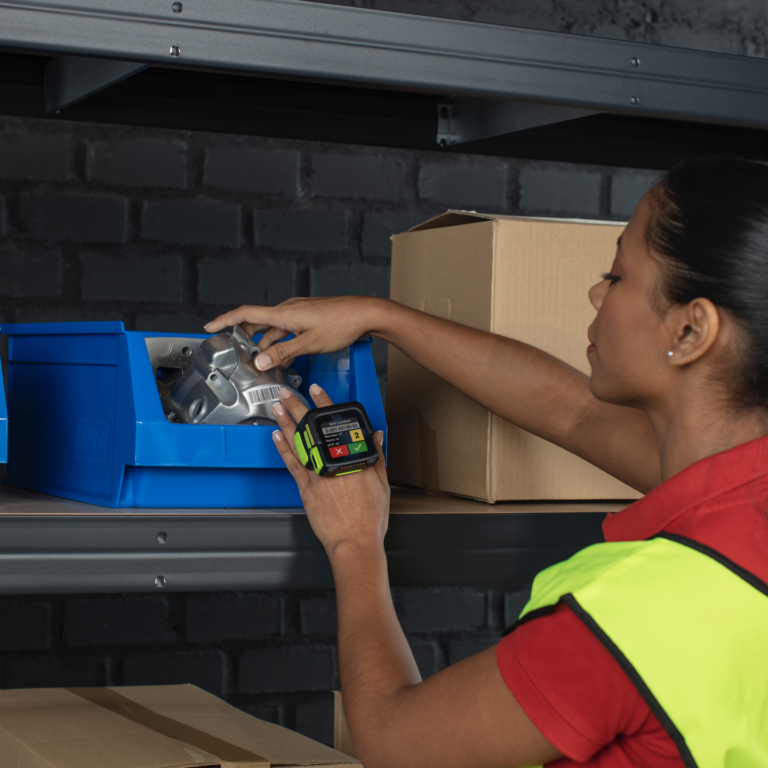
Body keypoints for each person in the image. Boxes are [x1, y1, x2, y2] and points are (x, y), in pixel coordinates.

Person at [205, 156, 768, 767]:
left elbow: (395, 743)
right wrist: (380, 316)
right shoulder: (743, 509)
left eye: (618, 275)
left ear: (691, 331)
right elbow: (570, 412)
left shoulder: (640, 610)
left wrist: (353, 543)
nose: (595, 291)